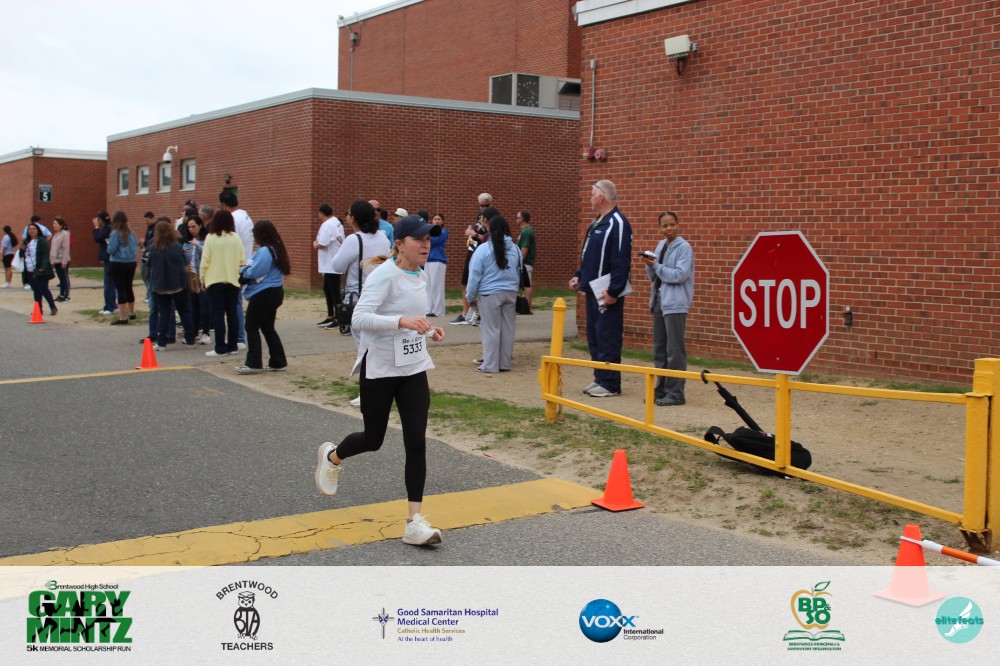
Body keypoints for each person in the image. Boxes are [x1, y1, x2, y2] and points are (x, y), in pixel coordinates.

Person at [314, 214, 446, 547]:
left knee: (416, 442)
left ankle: (414, 522)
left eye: (428, 239)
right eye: (419, 239)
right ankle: (332, 457)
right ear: (399, 244)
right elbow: (359, 318)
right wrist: (401, 321)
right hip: (381, 369)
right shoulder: (383, 275)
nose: (426, 245)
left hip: (413, 368)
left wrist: (429, 329)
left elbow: (415, 317)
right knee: (373, 439)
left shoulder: (421, 274)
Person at [569, 179, 633, 397]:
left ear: (602, 196)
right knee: (594, 335)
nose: (589, 198)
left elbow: (621, 259)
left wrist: (614, 290)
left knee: (608, 335)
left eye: (592, 194)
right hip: (591, 289)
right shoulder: (595, 223)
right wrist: (579, 275)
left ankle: (611, 383)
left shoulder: (618, 223)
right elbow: (588, 255)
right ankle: (600, 377)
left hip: (606, 291)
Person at [644, 211, 694, 406]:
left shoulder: (684, 248)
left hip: (675, 304)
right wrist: (649, 264)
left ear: (678, 225)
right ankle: (661, 389)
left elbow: (679, 275)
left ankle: (676, 393)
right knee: (660, 350)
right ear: (660, 228)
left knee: (675, 350)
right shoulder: (660, 246)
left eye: (672, 224)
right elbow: (654, 276)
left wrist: (656, 266)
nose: (669, 229)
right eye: (664, 226)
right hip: (659, 302)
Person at [466, 215, 520, 373]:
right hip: (511, 292)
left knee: (490, 330)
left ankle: (490, 365)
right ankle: (504, 363)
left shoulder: (483, 249)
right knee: (508, 330)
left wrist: (470, 296)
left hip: (490, 293)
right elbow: (519, 269)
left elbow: (474, 274)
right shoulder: (515, 248)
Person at [331, 200, 392, 342]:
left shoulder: (353, 239)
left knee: (363, 342)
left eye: (348, 213)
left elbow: (337, 266)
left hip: (359, 296)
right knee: (376, 340)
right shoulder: (382, 237)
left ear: (353, 219)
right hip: (380, 293)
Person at [236, 220, 290, 374]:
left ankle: (253, 363)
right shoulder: (275, 248)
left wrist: (243, 271)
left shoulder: (266, 250)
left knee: (251, 326)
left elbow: (256, 271)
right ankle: (278, 361)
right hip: (273, 292)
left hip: (264, 294)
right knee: (267, 328)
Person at [200, 210, 245, 357]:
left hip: (215, 280)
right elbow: (242, 260)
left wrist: (202, 279)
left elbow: (205, 261)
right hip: (233, 280)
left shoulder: (210, 238)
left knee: (218, 314)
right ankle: (233, 346)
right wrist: (242, 279)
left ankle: (220, 347)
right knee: (232, 313)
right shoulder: (236, 238)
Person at [146, 220, 197, 350]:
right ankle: (190, 340)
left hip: (161, 285)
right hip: (178, 283)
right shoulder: (176, 246)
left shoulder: (153, 247)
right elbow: (185, 261)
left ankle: (161, 342)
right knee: (184, 311)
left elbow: (149, 264)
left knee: (164, 312)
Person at [451, 201, 494, 325]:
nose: (480, 220)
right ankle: (466, 313)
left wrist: (475, 234)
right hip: (471, 255)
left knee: (482, 286)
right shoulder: (477, 226)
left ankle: (482, 314)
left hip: (482, 258)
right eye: (479, 217)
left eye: (486, 207)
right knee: (465, 284)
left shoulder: (491, 228)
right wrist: (471, 234)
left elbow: (488, 239)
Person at [219, 191, 252, 349]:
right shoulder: (245, 216)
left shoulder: (233, 219)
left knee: (235, 303)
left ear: (224, 205)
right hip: (245, 261)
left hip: (236, 265)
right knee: (236, 302)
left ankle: (239, 337)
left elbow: (231, 243)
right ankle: (239, 336)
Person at [313, 203, 345, 329]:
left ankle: (339, 318)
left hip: (331, 262)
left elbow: (323, 243)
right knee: (327, 289)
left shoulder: (327, 224)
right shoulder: (336, 222)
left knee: (334, 291)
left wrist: (315, 244)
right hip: (332, 261)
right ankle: (330, 315)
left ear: (321, 213)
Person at [184, 214, 213, 345]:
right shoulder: (187, 241)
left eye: (193, 226)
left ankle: (206, 332)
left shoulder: (207, 239)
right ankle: (194, 332)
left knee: (204, 305)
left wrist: (198, 246)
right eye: (189, 227)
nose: (191, 229)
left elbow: (209, 255)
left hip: (204, 276)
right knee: (192, 306)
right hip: (192, 277)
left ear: (200, 225)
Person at [107, 211, 139, 326]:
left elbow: (111, 249)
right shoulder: (132, 234)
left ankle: (122, 317)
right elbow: (135, 247)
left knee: (120, 289)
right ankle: (132, 312)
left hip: (118, 263)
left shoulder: (115, 233)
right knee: (129, 287)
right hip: (131, 262)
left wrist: (108, 245)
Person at [22, 222, 57, 315]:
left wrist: (43, 267)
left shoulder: (42, 241)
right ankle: (38, 309)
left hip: (40, 269)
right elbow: (22, 255)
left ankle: (53, 307)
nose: (32, 231)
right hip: (29, 269)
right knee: (36, 290)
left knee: (43, 289)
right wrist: (22, 249)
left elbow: (45, 255)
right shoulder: (27, 242)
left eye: (34, 229)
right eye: (30, 229)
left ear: (38, 230)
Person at [92, 211, 117, 314]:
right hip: (108, 258)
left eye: (98, 220)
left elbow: (97, 238)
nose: (97, 222)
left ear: (102, 220)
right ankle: (109, 305)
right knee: (109, 283)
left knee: (108, 284)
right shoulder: (108, 228)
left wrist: (96, 227)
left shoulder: (108, 228)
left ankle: (110, 306)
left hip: (109, 259)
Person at [424, 213, 448, 317]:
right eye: (435, 219)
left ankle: (438, 310)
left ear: (442, 222)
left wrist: (426, 238)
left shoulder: (443, 232)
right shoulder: (428, 233)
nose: (437, 221)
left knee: (437, 286)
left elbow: (434, 241)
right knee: (428, 286)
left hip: (438, 261)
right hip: (428, 260)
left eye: (439, 219)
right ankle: (429, 309)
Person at [516, 210, 536, 309]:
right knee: (524, 283)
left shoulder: (527, 232)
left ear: (522, 219)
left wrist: (518, 262)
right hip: (524, 262)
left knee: (527, 284)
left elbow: (524, 249)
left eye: (518, 217)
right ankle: (524, 306)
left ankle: (527, 307)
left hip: (526, 262)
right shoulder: (525, 231)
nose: (516, 219)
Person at [49, 217, 72, 302]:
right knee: (60, 278)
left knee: (64, 277)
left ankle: (67, 294)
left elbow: (66, 248)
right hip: (56, 260)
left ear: (61, 225)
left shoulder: (65, 234)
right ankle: (62, 294)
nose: (54, 225)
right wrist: (51, 259)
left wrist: (64, 261)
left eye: (56, 224)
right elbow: (53, 248)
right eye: (53, 223)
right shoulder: (56, 234)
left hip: (62, 260)